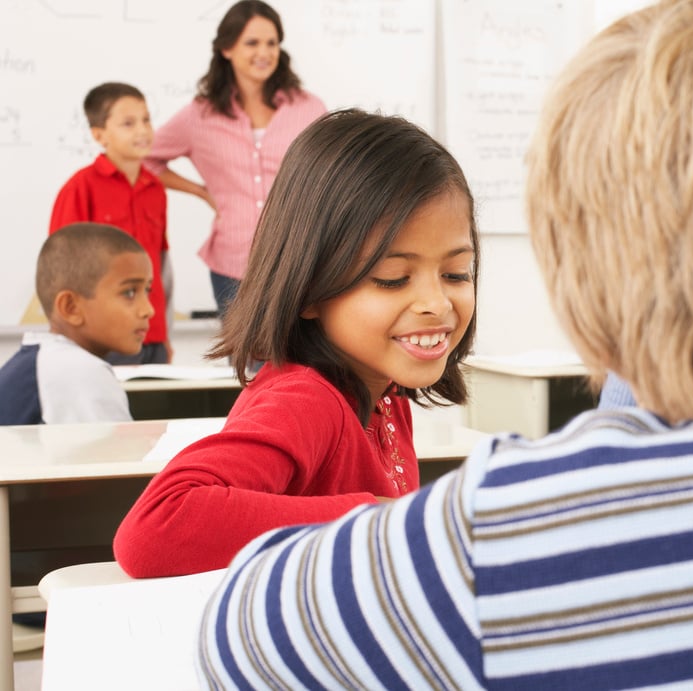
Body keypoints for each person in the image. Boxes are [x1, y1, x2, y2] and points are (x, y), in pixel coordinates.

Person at [197, 0, 693, 688]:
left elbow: (238, 632)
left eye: (457, 270)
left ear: (586, 261)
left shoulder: (492, 548)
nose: (435, 299)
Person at [113, 109, 479, 579]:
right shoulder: (306, 398)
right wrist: (381, 522)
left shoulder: (385, 394)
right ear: (308, 289)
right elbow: (155, 528)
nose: (436, 302)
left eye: (456, 273)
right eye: (392, 279)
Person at [143, 0, 326, 317]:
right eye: (252, 42)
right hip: (233, 265)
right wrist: (201, 191)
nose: (264, 52)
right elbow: (146, 159)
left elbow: (332, 171)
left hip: (301, 259)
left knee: (303, 360)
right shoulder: (200, 115)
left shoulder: (307, 108)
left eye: (272, 43)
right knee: (247, 362)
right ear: (227, 48)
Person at [50, 82, 170, 364]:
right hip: (102, 338)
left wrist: (164, 336)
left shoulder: (155, 188)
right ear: (99, 135)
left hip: (152, 336)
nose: (142, 130)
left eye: (146, 120)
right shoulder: (80, 187)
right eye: (128, 123)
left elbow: (161, 266)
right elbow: (60, 269)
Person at [0, 223, 153, 425]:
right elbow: (121, 456)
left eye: (147, 291)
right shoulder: (79, 371)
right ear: (70, 307)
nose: (148, 310)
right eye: (129, 292)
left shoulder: (41, 361)